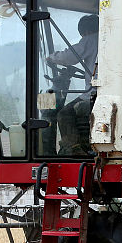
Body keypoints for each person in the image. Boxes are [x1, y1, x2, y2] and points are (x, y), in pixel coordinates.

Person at [46, 14, 98, 155]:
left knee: (64, 113)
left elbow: (70, 56)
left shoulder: (91, 39)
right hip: (100, 93)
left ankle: (73, 149)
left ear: (85, 32)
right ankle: (84, 145)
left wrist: (51, 58)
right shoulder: (106, 41)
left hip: (93, 94)